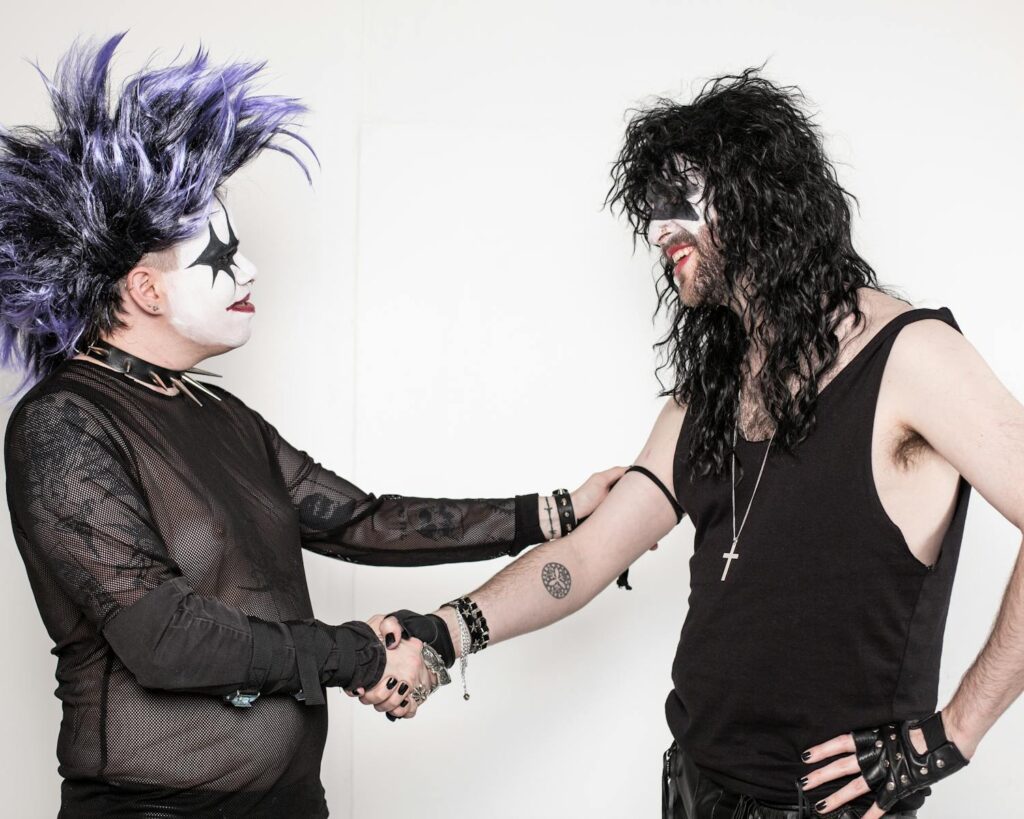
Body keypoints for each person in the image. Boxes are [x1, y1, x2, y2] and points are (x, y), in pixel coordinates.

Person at [0, 35, 622, 818]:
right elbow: (166, 636)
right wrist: (357, 652)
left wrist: (554, 509)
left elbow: (365, 519)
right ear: (146, 290)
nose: (250, 269)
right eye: (221, 253)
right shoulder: (63, 422)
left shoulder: (215, 412)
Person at [376, 71, 1024, 818]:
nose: (657, 233)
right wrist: (443, 633)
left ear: (757, 193)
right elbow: (587, 556)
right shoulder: (709, 394)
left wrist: (949, 736)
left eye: (677, 200)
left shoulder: (910, 355)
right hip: (692, 790)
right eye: (648, 212)